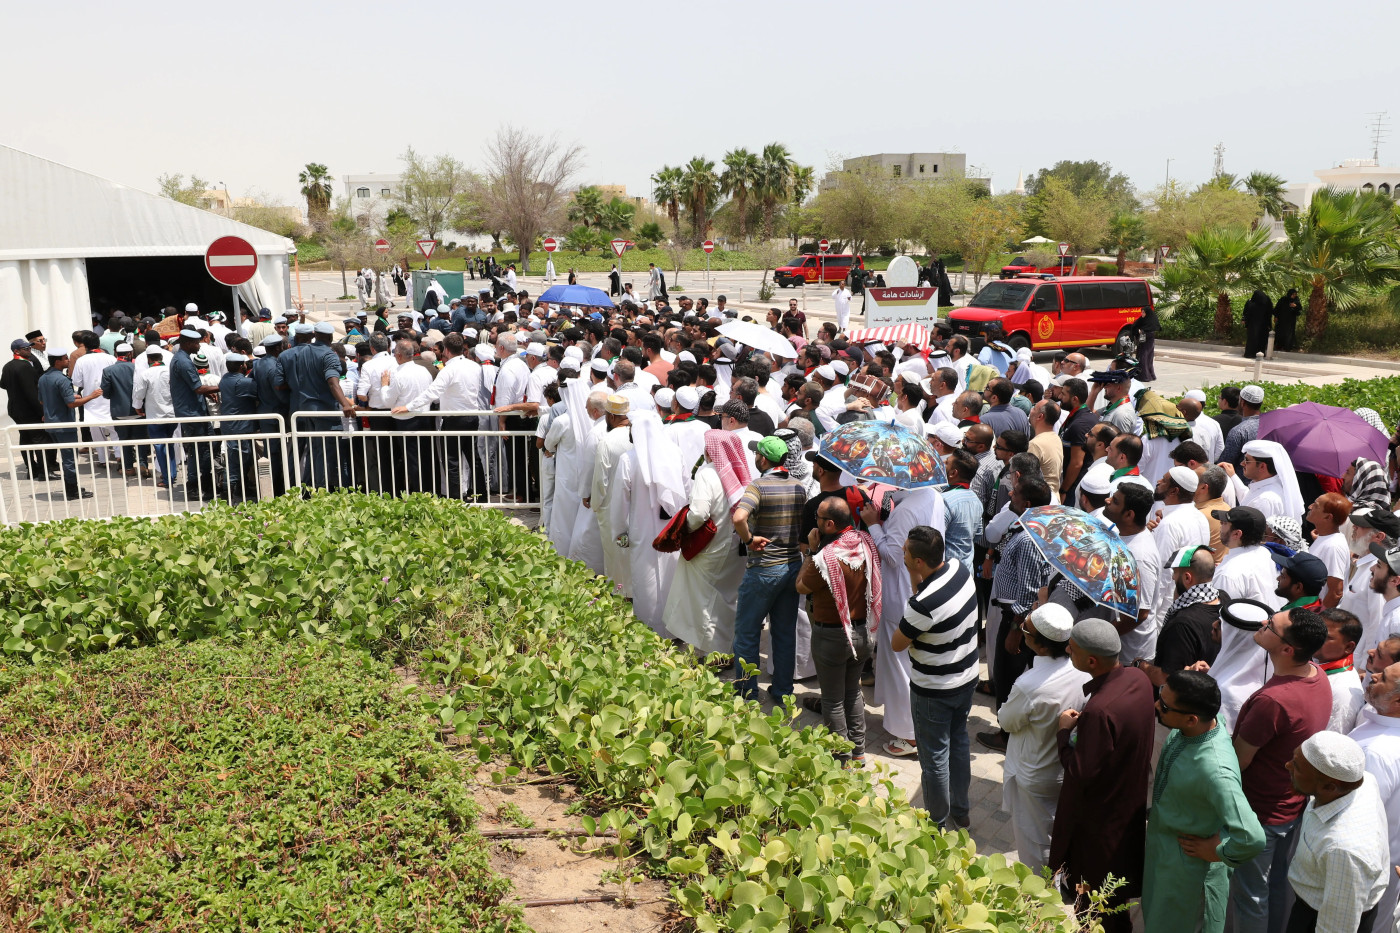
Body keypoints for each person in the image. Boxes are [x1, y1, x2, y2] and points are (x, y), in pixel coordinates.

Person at [1049, 618, 1155, 933]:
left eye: (1073, 648)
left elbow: (1080, 772)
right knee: (1112, 899)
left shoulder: (1099, 711)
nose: (1067, 650)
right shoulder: (1137, 678)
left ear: (1091, 661)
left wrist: (1064, 735)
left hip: (1099, 824)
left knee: (1095, 904)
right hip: (1128, 808)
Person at [1230, 608, 1332, 933]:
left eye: (1271, 625)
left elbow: (1239, 760)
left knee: (1251, 899)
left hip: (1260, 813)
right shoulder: (1317, 674)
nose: (1263, 623)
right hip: (1289, 807)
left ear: (1287, 649)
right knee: (1271, 889)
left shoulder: (1273, 701)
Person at [1142, 670, 1266, 933]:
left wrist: (1218, 851)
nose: (1156, 705)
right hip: (1166, 860)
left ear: (1191, 718)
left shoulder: (1215, 770)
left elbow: (1252, 838)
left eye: (1164, 705)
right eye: (1160, 694)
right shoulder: (1201, 725)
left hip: (1189, 875)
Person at [893, 526, 979, 829]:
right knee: (959, 742)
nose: (901, 555)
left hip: (934, 690)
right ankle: (961, 809)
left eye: (905, 552)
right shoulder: (959, 568)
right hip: (966, 678)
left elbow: (897, 643)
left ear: (918, 562)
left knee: (934, 760)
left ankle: (937, 823)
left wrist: (916, 590)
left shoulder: (922, 604)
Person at [996, 603, 1090, 873]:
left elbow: (1006, 720)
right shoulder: (1081, 669)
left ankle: (1038, 900)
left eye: (1025, 629)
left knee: (1034, 845)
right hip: (1063, 767)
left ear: (1040, 646)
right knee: (1056, 830)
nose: (1022, 631)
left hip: (1034, 772)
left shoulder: (1029, 685)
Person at [796, 496, 880, 765]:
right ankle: (859, 751)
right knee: (853, 692)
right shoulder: (865, 542)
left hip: (831, 636)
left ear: (829, 524)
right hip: (863, 633)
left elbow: (801, 586)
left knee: (832, 700)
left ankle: (841, 760)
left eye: (818, 519)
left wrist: (810, 550)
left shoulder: (825, 558)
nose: (814, 523)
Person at [1284, 732, 1390, 933]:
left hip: (1318, 918)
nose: (1287, 766)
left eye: (1296, 766)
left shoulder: (1343, 851)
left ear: (1329, 787)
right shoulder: (1362, 780)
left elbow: (1337, 928)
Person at [731, 435, 807, 702]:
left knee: (747, 632)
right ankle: (783, 690)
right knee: (785, 633)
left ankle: (746, 691)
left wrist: (749, 539)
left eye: (757, 454)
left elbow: (739, 517)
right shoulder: (799, 487)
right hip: (791, 568)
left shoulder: (758, 486)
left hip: (763, 569)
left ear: (764, 459)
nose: (755, 457)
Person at [664, 430, 752, 656]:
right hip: (734, 546)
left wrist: (684, 529)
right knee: (726, 597)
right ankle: (726, 649)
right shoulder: (740, 473)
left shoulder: (707, 474)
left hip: (709, 547)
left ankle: (712, 654)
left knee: (704, 600)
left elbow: (698, 514)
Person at [610, 412, 685, 636]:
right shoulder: (675, 453)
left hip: (641, 531)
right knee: (671, 577)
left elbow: (619, 501)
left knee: (646, 581)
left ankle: (649, 632)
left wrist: (619, 531)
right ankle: (674, 630)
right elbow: (686, 491)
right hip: (671, 530)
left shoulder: (628, 459)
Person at [36, 344, 95, 500]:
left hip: (51, 424)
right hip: (64, 425)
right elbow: (71, 404)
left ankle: (72, 486)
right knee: (69, 459)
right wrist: (91, 396)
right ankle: (72, 491)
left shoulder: (43, 378)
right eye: (65, 359)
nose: (68, 360)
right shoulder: (61, 379)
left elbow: (43, 401)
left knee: (66, 457)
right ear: (57, 362)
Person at [590, 394, 635, 599]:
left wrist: (597, 505)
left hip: (612, 506)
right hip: (637, 505)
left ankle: (618, 594)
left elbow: (601, 480)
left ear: (611, 416)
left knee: (614, 553)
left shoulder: (607, 441)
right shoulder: (638, 436)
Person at [1, 337, 56, 479]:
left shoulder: (8, 366)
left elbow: (3, 384)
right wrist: (42, 411)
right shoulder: (24, 366)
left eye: (30, 348)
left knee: (25, 438)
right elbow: (31, 392)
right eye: (26, 348)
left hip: (15, 409)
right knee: (40, 439)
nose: (29, 350)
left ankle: (32, 470)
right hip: (28, 410)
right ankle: (44, 471)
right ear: (16, 351)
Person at [1317, 608, 1366, 734]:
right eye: (1316, 631)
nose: (1315, 637)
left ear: (1349, 647)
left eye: (1326, 637)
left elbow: (1332, 741)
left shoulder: (1342, 691)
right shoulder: (1316, 662)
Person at [1243, 290, 1274, 360]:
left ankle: (1250, 354)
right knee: (1262, 340)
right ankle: (1261, 353)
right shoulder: (1267, 303)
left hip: (1253, 325)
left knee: (1252, 339)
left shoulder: (1251, 303)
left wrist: (1246, 324)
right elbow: (1270, 314)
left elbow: (1247, 313)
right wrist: (1269, 325)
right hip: (1264, 325)